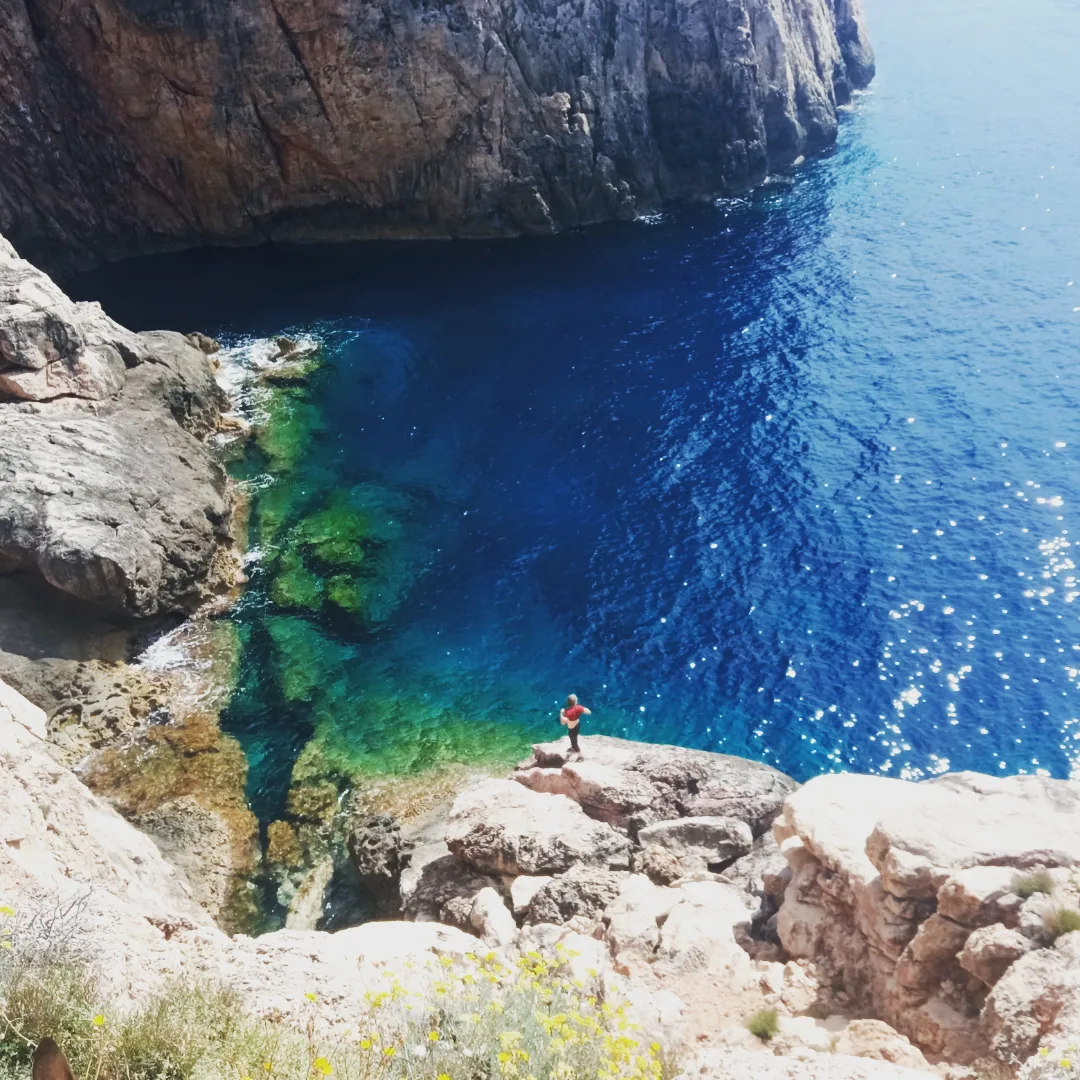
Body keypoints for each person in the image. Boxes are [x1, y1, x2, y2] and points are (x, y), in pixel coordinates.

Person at [559, 693, 590, 758]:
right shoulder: (578, 708)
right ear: (576, 702)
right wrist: (581, 708)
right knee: (574, 738)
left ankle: (580, 756)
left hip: (572, 729)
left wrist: (561, 713)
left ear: (567, 703)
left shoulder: (568, 712)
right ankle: (573, 746)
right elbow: (589, 712)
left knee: (574, 743)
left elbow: (563, 722)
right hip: (577, 726)